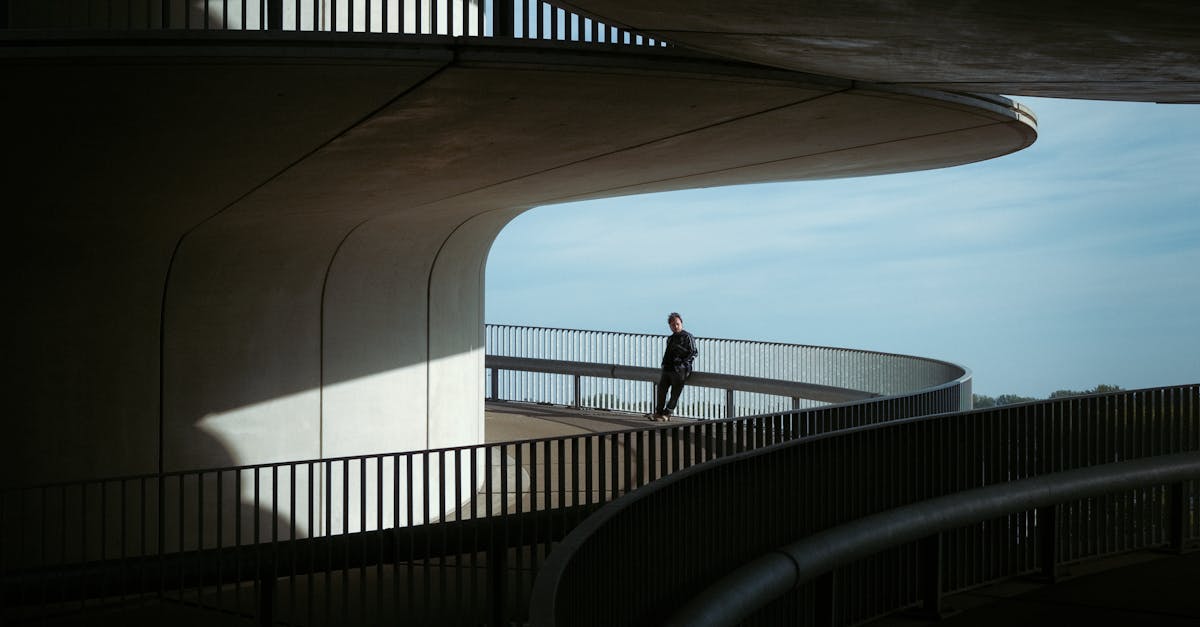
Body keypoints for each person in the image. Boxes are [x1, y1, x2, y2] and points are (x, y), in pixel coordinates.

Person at [652, 312, 698, 421]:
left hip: (680, 371)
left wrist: (683, 364)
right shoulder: (670, 338)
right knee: (661, 391)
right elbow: (667, 353)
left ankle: (667, 414)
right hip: (668, 368)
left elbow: (693, 352)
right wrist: (663, 364)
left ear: (681, 323)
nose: (675, 326)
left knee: (675, 394)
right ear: (670, 326)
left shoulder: (687, 336)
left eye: (677, 324)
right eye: (673, 325)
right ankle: (658, 412)